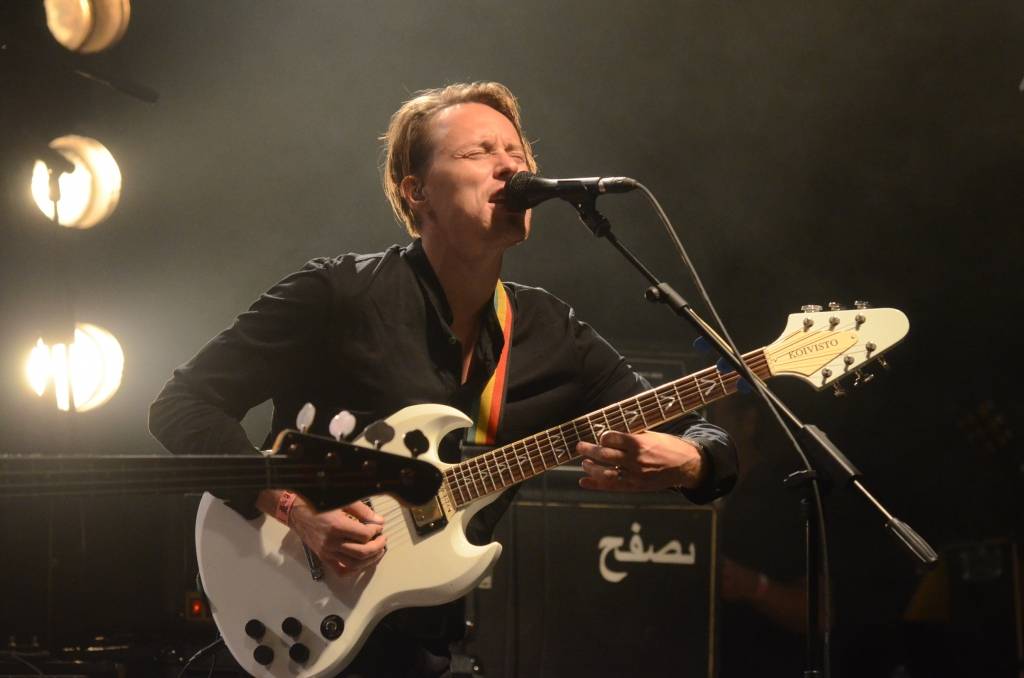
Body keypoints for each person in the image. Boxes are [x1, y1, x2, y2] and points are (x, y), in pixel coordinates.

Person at [150, 81, 737, 676]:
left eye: (517, 152)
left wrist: (693, 462)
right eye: (479, 152)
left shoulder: (552, 332)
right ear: (418, 191)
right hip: (289, 619)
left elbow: (701, 436)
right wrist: (290, 505)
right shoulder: (337, 294)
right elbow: (181, 403)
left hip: (423, 653)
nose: (510, 165)